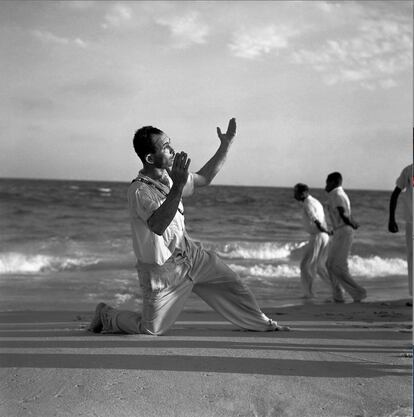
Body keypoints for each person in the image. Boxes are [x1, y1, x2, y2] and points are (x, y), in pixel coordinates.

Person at [88, 118, 289, 335]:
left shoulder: (169, 176)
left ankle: (265, 324)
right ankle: (107, 314)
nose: (172, 150)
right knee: (150, 329)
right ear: (150, 157)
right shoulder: (139, 190)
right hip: (164, 270)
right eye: (165, 147)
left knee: (234, 285)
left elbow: (204, 178)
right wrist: (179, 185)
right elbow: (158, 225)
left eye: (170, 143)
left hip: (192, 256)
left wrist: (226, 144)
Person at [325, 172, 367, 303]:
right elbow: (345, 213)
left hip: (343, 230)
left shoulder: (337, 194)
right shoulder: (336, 194)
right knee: (330, 264)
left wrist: (351, 223)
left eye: (327, 182)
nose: (325, 185)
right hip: (340, 230)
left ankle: (358, 292)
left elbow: (343, 213)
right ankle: (338, 296)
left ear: (334, 182)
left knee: (337, 265)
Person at [293, 183, 332, 299]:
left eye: (296, 192)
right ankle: (336, 289)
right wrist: (327, 231)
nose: (294, 195)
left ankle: (308, 294)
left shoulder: (307, 203)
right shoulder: (315, 201)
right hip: (323, 235)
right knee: (319, 266)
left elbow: (315, 219)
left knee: (305, 266)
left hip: (318, 236)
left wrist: (324, 230)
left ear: (303, 193)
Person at [388, 163, 413, 305]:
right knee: (412, 257)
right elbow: (396, 193)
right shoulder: (409, 170)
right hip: (412, 221)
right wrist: (391, 218)